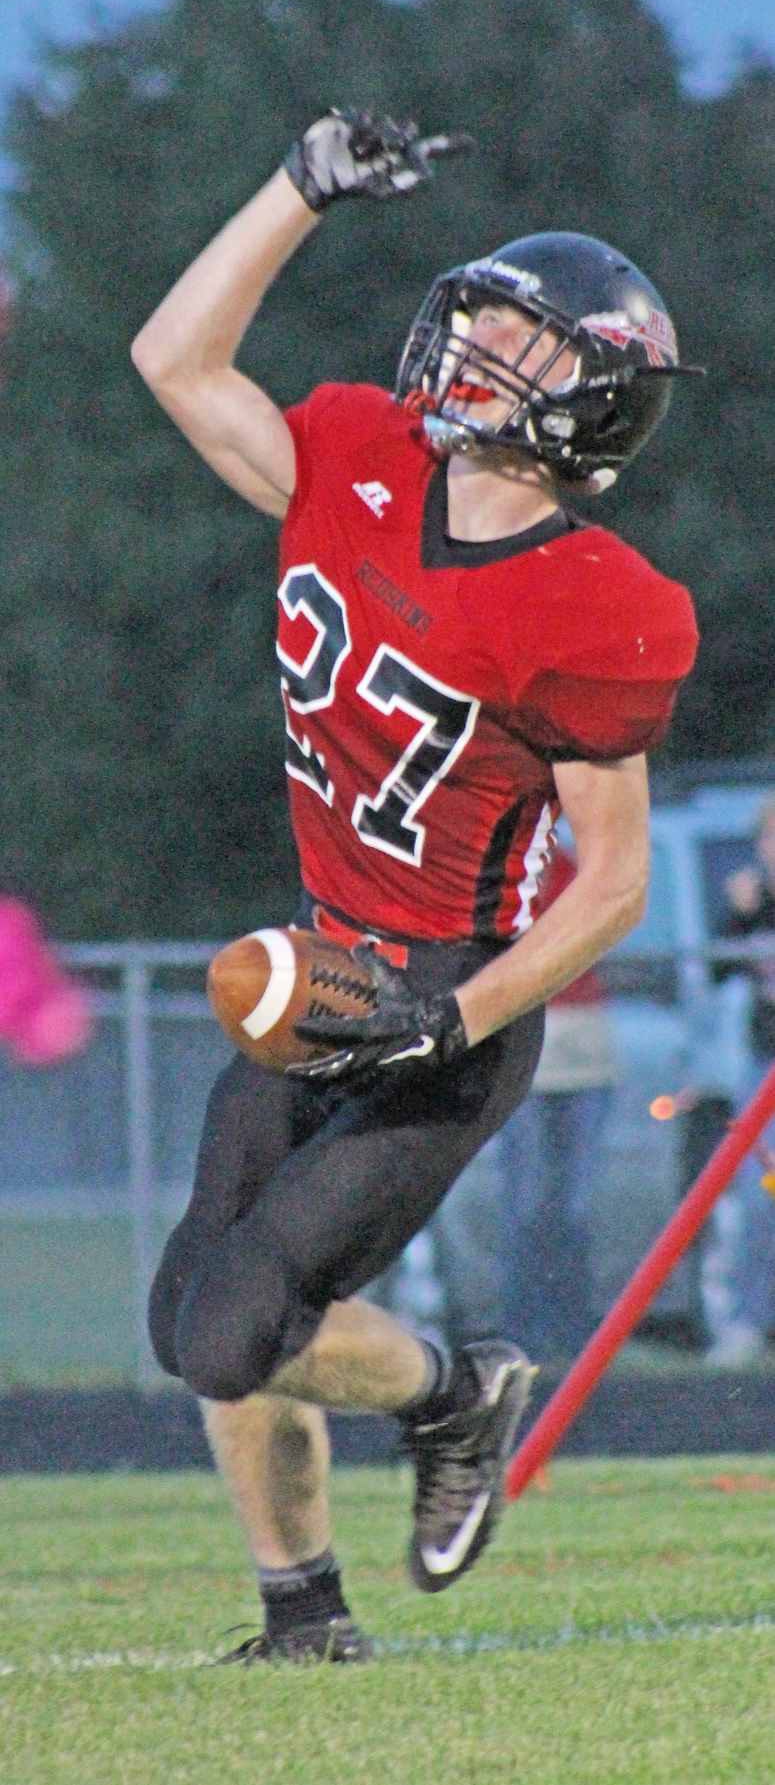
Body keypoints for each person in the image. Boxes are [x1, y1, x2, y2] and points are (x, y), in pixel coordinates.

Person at [131, 108, 698, 1663]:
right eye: (487, 314)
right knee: (197, 1333)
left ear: (584, 400)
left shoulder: (596, 602)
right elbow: (173, 360)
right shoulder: (356, 458)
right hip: (321, 957)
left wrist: (444, 1026)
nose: (477, 341)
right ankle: (309, 1605)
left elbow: (614, 886)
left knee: (238, 1323)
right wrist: (296, 189)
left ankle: (456, 1390)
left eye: (519, 334)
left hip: (451, 994)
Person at [495, 846, 617, 1363]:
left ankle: (574, 1332)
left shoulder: (575, 867)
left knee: (574, 1205)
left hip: (585, 1058)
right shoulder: (493, 876)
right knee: (525, 1203)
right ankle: (521, 1332)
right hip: (528, 1058)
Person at [705, 797, 775, 1363]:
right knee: (761, 1197)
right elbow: (716, 969)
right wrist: (739, 914)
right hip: (765, 1064)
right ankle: (752, 1319)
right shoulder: (755, 904)